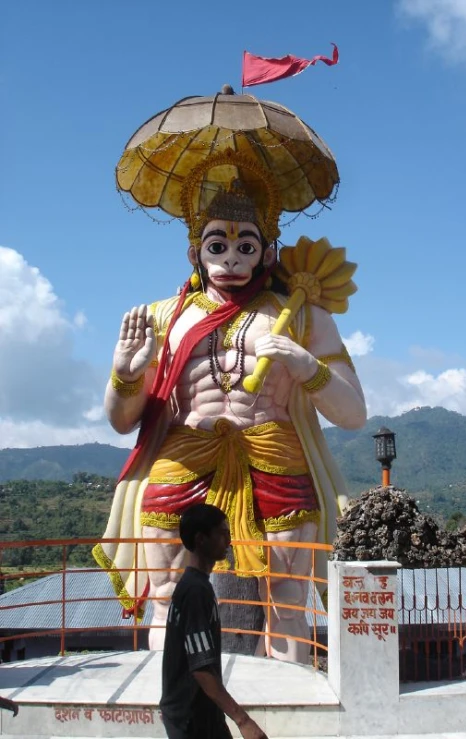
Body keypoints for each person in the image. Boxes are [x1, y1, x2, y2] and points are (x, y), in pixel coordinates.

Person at [93, 154, 367, 660]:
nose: (232, 259)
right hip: (183, 457)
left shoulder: (304, 320)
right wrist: (126, 375)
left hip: (275, 456)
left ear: (268, 253)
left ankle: (285, 703)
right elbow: (121, 421)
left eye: (247, 246)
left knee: (287, 598)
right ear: (196, 252)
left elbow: (353, 415)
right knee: (167, 593)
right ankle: (169, 690)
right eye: (218, 245)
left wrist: (307, 366)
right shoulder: (161, 318)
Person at [160, 503, 267, 739]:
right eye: (222, 533)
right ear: (201, 539)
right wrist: (243, 720)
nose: (228, 540)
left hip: (199, 712)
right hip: (192, 718)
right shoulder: (196, 592)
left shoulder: (194, 586)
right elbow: (200, 667)